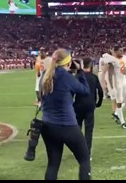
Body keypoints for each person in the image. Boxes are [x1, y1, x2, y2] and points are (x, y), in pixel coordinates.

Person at [40, 48, 91, 180]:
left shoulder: (45, 75)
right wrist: (79, 71)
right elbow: (85, 91)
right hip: (67, 125)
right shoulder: (67, 77)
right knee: (84, 159)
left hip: (48, 125)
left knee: (53, 164)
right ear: (68, 63)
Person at [74, 57, 103, 159]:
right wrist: (98, 103)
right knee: (88, 129)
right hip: (90, 105)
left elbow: (72, 91)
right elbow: (100, 91)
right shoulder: (94, 77)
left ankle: (77, 151)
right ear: (91, 65)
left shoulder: (77, 76)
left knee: (77, 129)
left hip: (78, 105)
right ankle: (87, 153)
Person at [101, 46, 126, 129]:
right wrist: (110, 86)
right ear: (115, 52)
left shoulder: (124, 58)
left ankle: (116, 114)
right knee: (119, 102)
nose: (122, 52)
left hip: (124, 82)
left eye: (122, 50)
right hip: (117, 83)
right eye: (120, 51)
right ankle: (123, 122)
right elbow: (110, 74)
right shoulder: (112, 61)